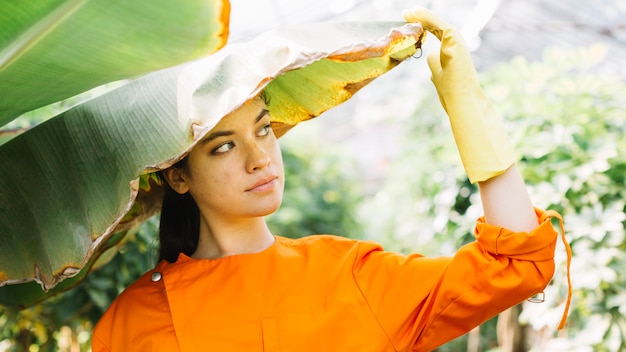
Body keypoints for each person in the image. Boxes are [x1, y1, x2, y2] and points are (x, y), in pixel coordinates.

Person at [92, 7, 571, 351]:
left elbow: (516, 264)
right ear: (178, 176)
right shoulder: (131, 323)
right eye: (224, 145)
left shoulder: (352, 276)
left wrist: (470, 111)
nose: (260, 158)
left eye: (264, 129)